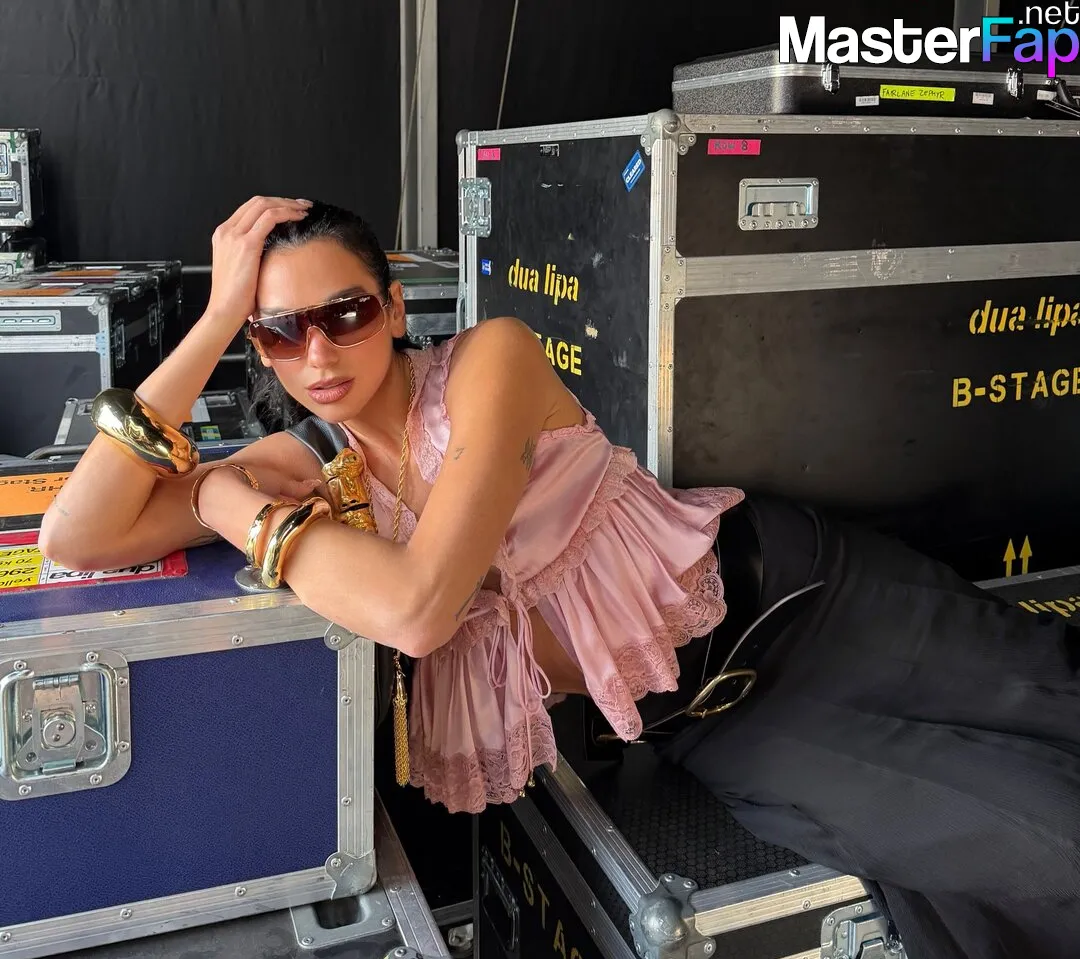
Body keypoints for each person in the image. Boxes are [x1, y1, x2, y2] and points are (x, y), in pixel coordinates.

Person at [40, 196, 1080, 959]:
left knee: (1052, 689)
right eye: (278, 330)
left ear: (394, 308)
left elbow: (418, 606)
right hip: (714, 724)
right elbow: (78, 536)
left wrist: (229, 504)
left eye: (344, 313)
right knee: (1039, 839)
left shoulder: (489, 361)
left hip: (804, 597)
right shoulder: (307, 467)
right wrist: (215, 319)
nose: (317, 352)